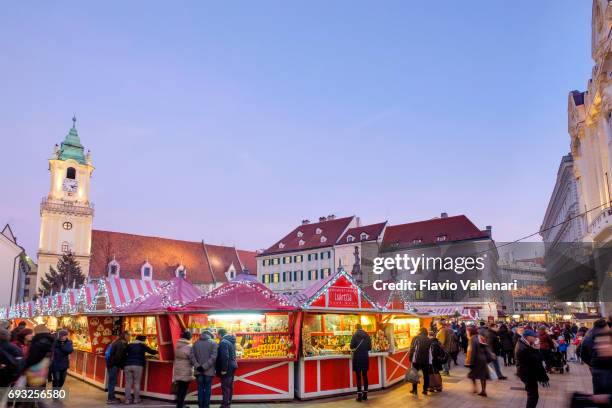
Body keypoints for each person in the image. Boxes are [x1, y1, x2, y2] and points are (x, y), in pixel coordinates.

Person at [516, 329, 550, 408]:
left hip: (527, 373)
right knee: (533, 396)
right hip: (528, 374)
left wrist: (534, 348)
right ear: (528, 337)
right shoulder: (523, 348)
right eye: (534, 337)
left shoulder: (524, 343)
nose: (535, 338)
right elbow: (536, 361)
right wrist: (537, 350)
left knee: (533, 395)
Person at [580, 316, 612, 395]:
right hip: (605, 369)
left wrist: (591, 364)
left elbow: (581, 353)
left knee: (599, 393)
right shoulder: (605, 333)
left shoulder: (589, 334)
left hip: (596, 368)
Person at [124, 334, 158, 404]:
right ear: (143, 340)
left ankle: (127, 399)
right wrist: (158, 351)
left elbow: (124, 353)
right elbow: (152, 352)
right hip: (138, 365)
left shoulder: (129, 345)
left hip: (127, 365)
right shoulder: (142, 346)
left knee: (128, 383)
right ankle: (136, 399)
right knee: (137, 382)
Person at [191, 329, 218, 408]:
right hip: (209, 371)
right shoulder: (213, 343)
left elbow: (191, 356)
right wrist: (205, 367)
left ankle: (200, 406)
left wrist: (198, 366)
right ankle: (206, 406)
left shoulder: (195, 343)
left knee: (200, 389)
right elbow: (213, 357)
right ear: (210, 335)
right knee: (208, 389)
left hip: (198, 371)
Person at [24, 324, 55, 389]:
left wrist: (26, 365)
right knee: (40, 388)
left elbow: (34, 356)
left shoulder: (38, 341)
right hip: (43, 369)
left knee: (32, 390)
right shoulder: (50, 340)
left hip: (34, 369)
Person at [466, 326, 493, 397]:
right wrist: (489, 358)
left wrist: (470, 362)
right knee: (482, 375)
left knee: (472, 374)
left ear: (470, 332)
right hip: (483, 359)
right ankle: (483, 390)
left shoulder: (472, 339)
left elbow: (472, 351)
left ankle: (475, 388)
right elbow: (487, 348)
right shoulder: (480, 337)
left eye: (467, 332)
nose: (467, 333)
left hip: (476, 360)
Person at [350, 324, 372, 402]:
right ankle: (365, 395)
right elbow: (369, 348)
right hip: (365, 357)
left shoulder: (354, 335)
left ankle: (359, 396)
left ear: (356, 328)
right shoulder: (367, 335)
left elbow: (351, 347)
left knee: (358, 377)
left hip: (357, 358)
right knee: (365, 376)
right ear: (362, 328)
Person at [216, 329, 237, 408]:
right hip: (232, 366)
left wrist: (224, 369)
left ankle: (225, 405)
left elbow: (225, 357)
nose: (216, 336)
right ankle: (228, 403)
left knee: (225, 386)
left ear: (220, 334)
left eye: (217, 334)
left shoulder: (223, 342)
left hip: (227, 367)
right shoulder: (230, 341)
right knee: (229, 386)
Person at [106, 332, 129, 404]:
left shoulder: (116, 342)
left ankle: (112, 396)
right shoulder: (120, 344)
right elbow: (118, 356)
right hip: (114, 365)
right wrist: (121, 365)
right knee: (112, 381)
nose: (129, 337)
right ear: (125, 336)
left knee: (111, 381)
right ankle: (110, 398)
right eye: (128, 336)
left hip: (111, 364)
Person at [173, 331, 194, 408]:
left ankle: (180, 404)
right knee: (184, 388)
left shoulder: (177, 345)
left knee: (179, 388)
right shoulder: (189, 346)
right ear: (189, 337)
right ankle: (181, 405)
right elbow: (192, 359)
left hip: (178, 368)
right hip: (186, 369)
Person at [408, 327, 432, 395]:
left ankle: (414, 390)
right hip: (425, 360)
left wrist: (410, 357)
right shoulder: (428, 340)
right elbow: (430, 351)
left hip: (416, 360)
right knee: (426, 375)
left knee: (414, 374)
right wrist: (430, 361)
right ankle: (425, 390)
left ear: (420, 331)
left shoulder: (416, 338)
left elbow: (412, 348)